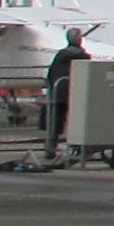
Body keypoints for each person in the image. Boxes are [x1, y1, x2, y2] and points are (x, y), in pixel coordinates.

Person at [37, 22, 90, 160]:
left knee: (54, 122)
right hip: (75, 93)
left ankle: (50, 148)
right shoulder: (82, 57)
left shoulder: (60, 55)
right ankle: (76, 148)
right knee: (77, 123)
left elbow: (51, 73)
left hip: (57, 92)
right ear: (79, 39)